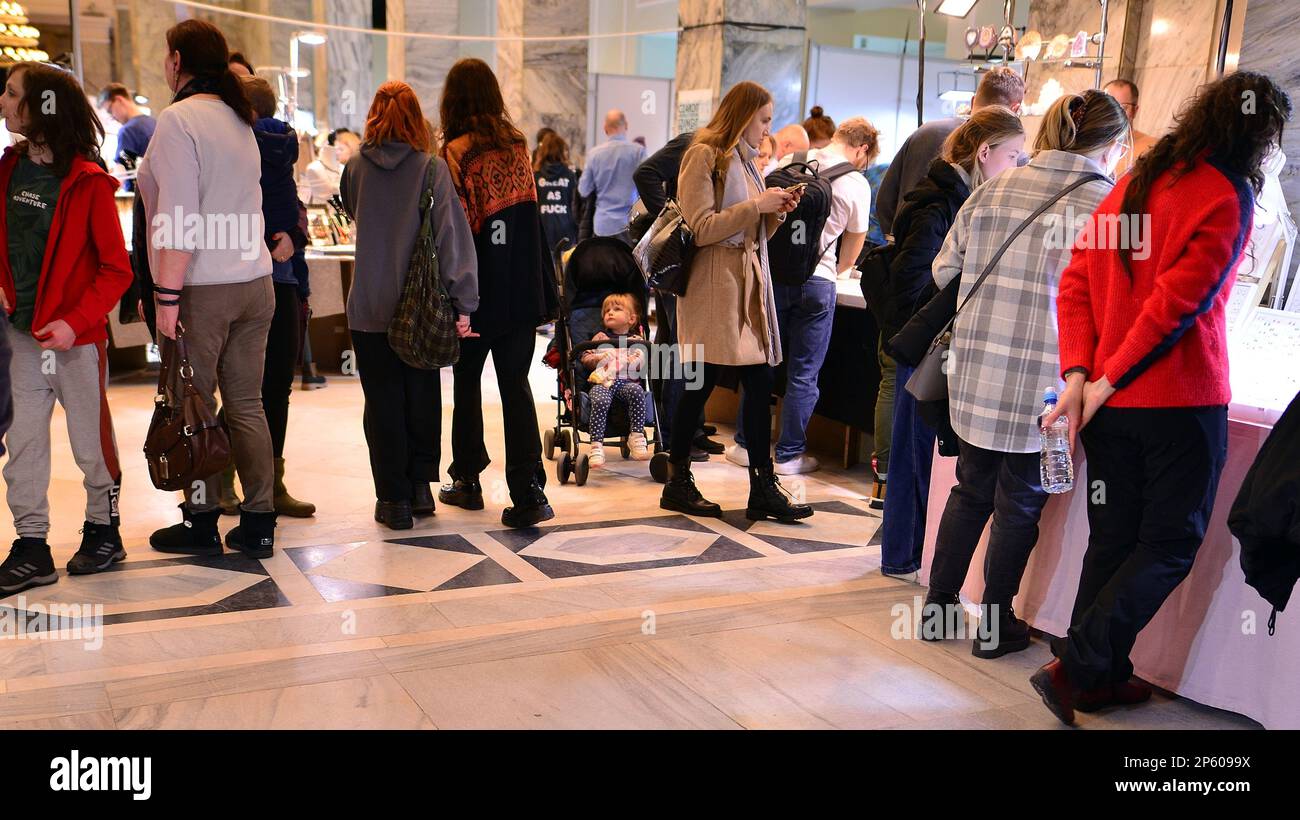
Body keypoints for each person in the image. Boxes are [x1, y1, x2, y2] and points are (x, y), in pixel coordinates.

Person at [1032, 72, 1291, 725]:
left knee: (1115, 538)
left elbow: (1078, 286)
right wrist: (1100, 381)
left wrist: (1081, 379)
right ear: (1258, 134)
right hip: (1177, 403)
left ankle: (1095, 674)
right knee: (1171, 542)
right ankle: (1080, 665)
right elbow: (1175, 309)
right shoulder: (1224, 195)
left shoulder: (1138, 184)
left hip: (1110, 409)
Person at [921, 89, 1129, 658]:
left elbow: (945, 274)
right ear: (1113, 145)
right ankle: (994, 626)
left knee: (970, 491)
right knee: (1021, 501)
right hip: (1051, 382)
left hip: (977, 370)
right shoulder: (1110, 206)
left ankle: (938, 609)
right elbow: (1118, 306)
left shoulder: (994, 188)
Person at [140, 19, 278, 559]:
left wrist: (167, 297)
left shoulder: (179, 120)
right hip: (255, 281)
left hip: (203, 286)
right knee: (247, 405)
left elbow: (177, 213)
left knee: (192, 403)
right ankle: (259, 522)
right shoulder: (238, 117)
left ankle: (201, 520)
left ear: (177, 60)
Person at [0, 62, 133, 593]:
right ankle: (32, 546)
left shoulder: (89, 181)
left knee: (89, 443)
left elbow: (116, 269)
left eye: (12, 94)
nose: (4, 101)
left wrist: (73, 321)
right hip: (18, 339)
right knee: (24, 445)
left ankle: (104, 529)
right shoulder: (7, 169)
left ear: (41, 107)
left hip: (76, 343)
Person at [877, 106, 1025, 581]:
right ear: (984, 152)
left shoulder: (953, 194)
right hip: (924, 348)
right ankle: (903, 556)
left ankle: (908, 555)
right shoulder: (941, 201)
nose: (1017, 166)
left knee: (922, 456)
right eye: (1013, 155)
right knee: (915, 457)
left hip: (926, 344)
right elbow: (913, 278)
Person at [659, 80, 811, 524]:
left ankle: (762, 485)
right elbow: (702, 227)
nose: (767, 130)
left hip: (745, 285)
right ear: (743, 114)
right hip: (712, 286)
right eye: (763, 120)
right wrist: (758, 205)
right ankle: (677, 480)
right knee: (698, 384)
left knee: (762, 381)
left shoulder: (747, 159)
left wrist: (776, 211)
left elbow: (753, 232)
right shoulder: (704, 154)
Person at [341, 81, 479, 530]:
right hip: (420, 306)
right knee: (421, 395)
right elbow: (450, 237)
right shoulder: (431, 169)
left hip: (368, 304)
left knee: (381, 402)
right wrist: (464, 300)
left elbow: (351, 209)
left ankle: (392, 500)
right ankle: (420, 488)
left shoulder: (355, 166)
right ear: (418, 118)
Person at [437, 58, 558, 529]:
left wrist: (457, 296)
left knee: (466, 382)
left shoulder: (456, 152)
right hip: (520, 288)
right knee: (515, 384)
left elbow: (461, 230)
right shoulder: (518, 144)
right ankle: (529, 492)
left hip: (478, 288)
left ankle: (466, 481)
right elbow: (527, 223)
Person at [730, 117, 880, 475]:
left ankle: (744, 444)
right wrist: (836, 269)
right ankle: (788, 455)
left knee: (762, 361)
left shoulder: (791, 161)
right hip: (817, 283)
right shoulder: (857, 182)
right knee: (803, 373)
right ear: (861, 148)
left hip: (775, 277)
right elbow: (853, 245)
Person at [211, 74, 315, 519]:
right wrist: (293, 234)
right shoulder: (285, 145)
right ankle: (246, 481)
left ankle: (254, 483)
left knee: (257, 388)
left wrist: (292, 236)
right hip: (271, 279)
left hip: (260, 278)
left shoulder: (237, 143)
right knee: (260, 388)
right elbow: (294, 212)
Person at [875, 66, 1025, 238]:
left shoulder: (925, 132)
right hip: (950, 258)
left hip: (905, 249)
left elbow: (884, 200)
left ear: (973, 100)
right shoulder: (1009, 156)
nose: (1013, 160)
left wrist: (896, 239)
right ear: (1015, 109)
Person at [580, 293, 650, 468]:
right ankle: (596, 445)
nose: (610, 313)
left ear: (631, 319)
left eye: (616, 309)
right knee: (600, 399)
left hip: (626, 382)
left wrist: (639, 359)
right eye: (607, 310)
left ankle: (636, 435)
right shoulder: (600, 338)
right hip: (602, 381)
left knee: (637, 391)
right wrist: (599, 356)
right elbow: (585, 358)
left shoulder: (637, 341)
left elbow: (645, 365)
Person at [578, 108, 645, 241]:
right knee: (627, 261)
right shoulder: (638, 152)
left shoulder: (594, 154)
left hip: (603, 226)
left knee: (603, 261)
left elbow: (583, 190)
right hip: (630, 224)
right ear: (626, 125)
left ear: (605, 128)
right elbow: (647, 185)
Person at [96, 82, 155, 190]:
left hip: (142, 197)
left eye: (110, 110)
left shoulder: (128, 131)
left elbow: (124, 176)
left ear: (119, 100)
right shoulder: (154, 123)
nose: (112, 117)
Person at [1102, 78, 1159, 177]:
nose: (1113, 114)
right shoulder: (1091, 145)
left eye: (1122, 108)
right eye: (1107, 107)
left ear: (1134, 111)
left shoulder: (1151, 147)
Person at [533, 131, 579, 254]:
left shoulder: (535, 176)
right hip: (566, 230)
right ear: (562, 151)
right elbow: (575, 206)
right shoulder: (570, 175)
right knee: (564, 271)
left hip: (543, 229)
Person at [301, 128, 359, 205]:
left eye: (341, 149)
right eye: (337, 149)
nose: (337, 152)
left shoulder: (344, 167)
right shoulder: (314, 168)